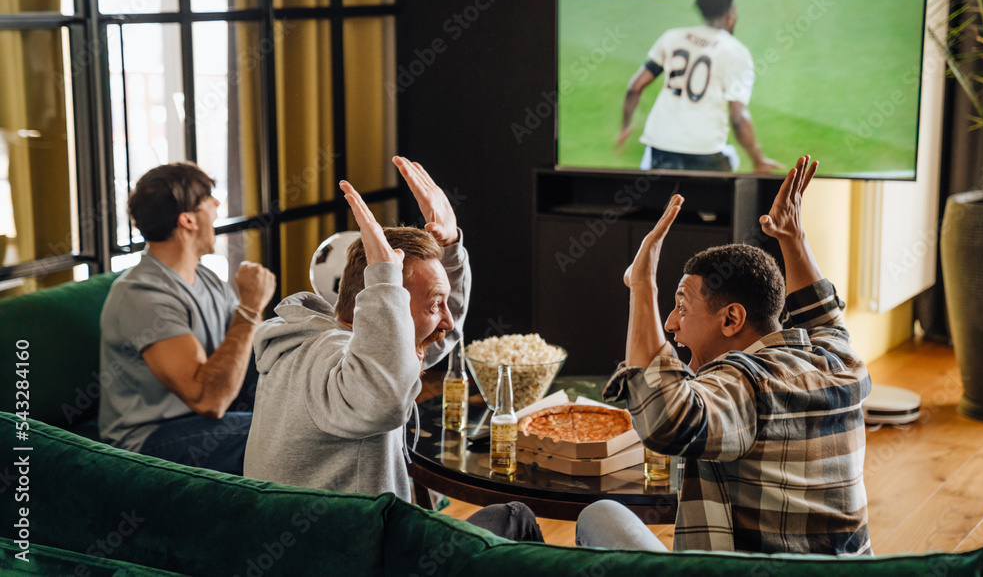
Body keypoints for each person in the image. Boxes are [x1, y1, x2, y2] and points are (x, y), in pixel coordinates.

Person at [576, 156, 871, 555]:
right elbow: (822, 314)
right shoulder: (839, 359)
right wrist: (791, 237)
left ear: (731, 319)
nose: (670, 325)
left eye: (681, 306)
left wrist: (643, 285)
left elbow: (665, 420)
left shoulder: (747, 384)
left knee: (599, 516)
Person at [244, 156, 543, 543]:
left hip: (328, 550)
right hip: (352, 559)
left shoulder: (321, 340)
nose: (449, 322)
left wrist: (449, 246)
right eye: (436, 304)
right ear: (385, 305)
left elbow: (411, 354)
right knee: (514, 517)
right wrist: (385, 279)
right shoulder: (324, 359)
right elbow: (385, 394)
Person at [99, 162, 276, 475]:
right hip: (148, 441)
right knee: (279, 432)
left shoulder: (205, 278)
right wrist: (249, 308)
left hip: (201, 418)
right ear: (188, 219)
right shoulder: (142, 295)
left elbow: (253, 357)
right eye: (209, 197)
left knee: (304, 414)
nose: (218, 204)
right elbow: (209, 400)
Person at [617, 0, 781, 174]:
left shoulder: (672, 38)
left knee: (662, 202)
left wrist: (625, 126)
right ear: (731, 14)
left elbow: (635, 88)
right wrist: (758, 159)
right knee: (715, 198)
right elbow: (738, 117)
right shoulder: (736, 52)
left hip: (662, 144)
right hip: (705, 149)